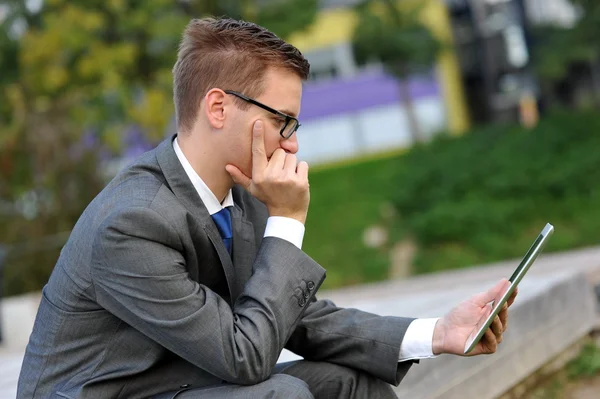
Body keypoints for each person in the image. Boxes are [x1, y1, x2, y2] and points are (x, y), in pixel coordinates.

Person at [17, 17, 517, 399]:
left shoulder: (239, 193)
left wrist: (438, 333)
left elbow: (295, 318)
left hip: (177, 386)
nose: (292, 145)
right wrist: (288, 221)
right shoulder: (132, 222)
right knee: (279, 394)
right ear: (218, 107)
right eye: (284, 120)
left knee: (349, 383)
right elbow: (244, 358)